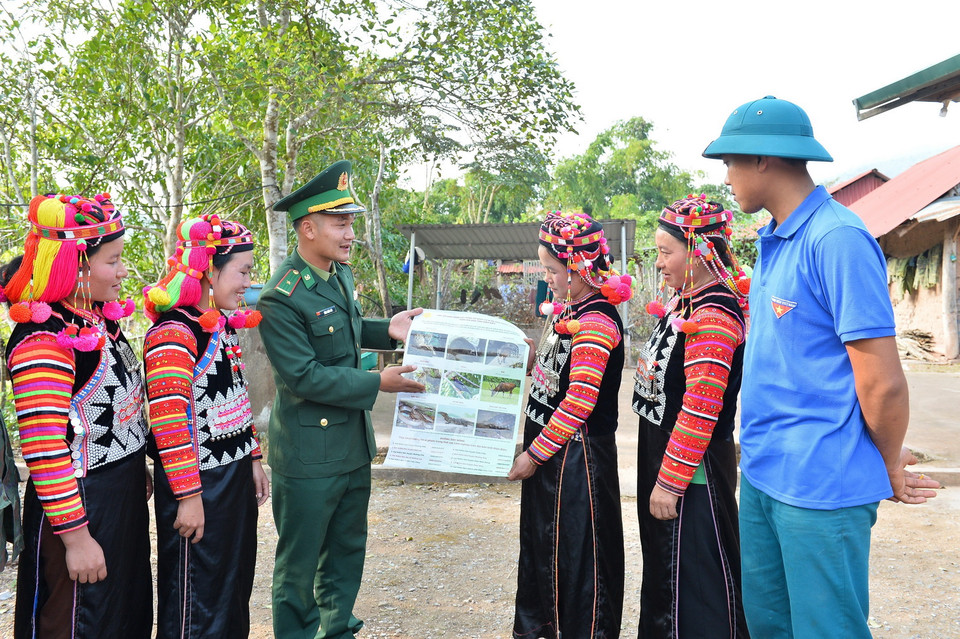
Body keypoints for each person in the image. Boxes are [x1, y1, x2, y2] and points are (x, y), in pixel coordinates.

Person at [701, 96, 940, 638]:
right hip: (764, 472)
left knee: (827, 629)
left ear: (764, 159)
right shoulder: (774, 239)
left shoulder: (836, 239)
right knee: (770, 626)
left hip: (820, 484)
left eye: (730, 162)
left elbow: (881, 381)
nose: (726, 177)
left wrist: (886, 460)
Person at [258, 160, 425, 639]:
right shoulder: (281, 295)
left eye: (351, 222)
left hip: (350, 449)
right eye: (340, 223)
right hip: (310, 456)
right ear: (307, 228)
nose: (350, 232)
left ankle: (336, 632)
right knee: (300, 566)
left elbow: (343, 334)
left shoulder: (337, 275)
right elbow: (304, 376)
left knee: (346, 554)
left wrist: (386, 329)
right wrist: (378, 381)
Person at [2, 193, 152, 638]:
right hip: (79, 506)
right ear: (77, 266)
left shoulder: (97, 321)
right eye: (114, 261)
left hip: (117, 497)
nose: (124, 271)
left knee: (122, 613)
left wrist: (133, 463)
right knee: (79, 620)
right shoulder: (43, 342)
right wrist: (76, 538)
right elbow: (45, 447)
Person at [142, 214, 270, 638]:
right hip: (198, 485)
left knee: (231, 587)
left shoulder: (217, 321)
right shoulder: (173, 333)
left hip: (230, 479)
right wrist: (189, 496)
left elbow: (235, 394)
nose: (247, 282)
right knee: (196, 599)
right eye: (243, 272)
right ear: (209, 270)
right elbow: (168, 420)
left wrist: (252, 456)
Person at [508, 211, 632, 639]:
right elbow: (555, 376)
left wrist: (532, 456)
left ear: (578, 266)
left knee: (578, 567)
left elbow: (579, 401)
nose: (549, 279)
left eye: (552, 270)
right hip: (555, 454)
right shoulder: (569, 309)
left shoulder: (597, 322)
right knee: (545, 554)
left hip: (578, 464)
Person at [632, 195, 751, 638]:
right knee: (670, 569)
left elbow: (701, 404)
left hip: (692, 467)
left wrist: (670, 481)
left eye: (666, 253)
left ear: (699, 250)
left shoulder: (713, 312)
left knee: (696, 573)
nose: (659, 264)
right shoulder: (688, 300)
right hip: (665, 453)